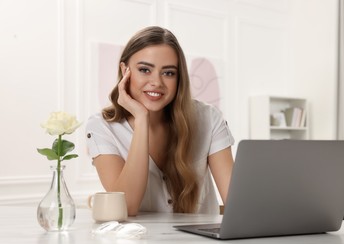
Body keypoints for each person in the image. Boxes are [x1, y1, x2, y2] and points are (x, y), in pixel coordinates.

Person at [86, 26, 234, 216]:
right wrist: (141, 120)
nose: (156, 82)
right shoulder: (102, 127)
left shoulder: (208, 118)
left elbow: (237, 203)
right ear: (125, 71)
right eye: (145, 70)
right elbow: (127, 207)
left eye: (168, 73)